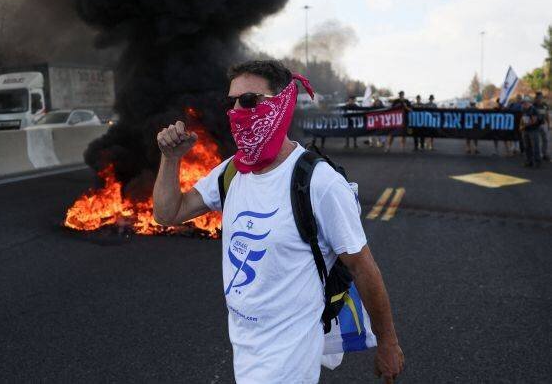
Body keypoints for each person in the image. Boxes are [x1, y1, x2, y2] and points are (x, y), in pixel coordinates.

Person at [153, 60, 404, 383]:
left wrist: (388, 343)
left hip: (289, 357)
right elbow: (167, 213)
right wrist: (171, 159)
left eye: (248, 101)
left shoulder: (319, 182)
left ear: (283, 103)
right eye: (231, 103)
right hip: (245, 345)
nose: (237, 112)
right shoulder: (232, 171)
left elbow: (363, 266)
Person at [520, 96, 543, 167]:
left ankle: (537, 162)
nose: (523, 104)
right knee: (527, 147)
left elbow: (534, 121)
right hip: (526, 131)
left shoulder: (533, 109)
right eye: (522, 103)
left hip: (533, 130)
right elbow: (522, 118)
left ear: (528, 103)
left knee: (535, 146)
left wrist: (524, 126)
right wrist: (520, 125)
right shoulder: (523, 109)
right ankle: (528, 161)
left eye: (524, 103)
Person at [533, 91, 550, 161]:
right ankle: (537, 155)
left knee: (545, 140)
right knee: (536, 141)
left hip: (543, 125)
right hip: (535, 126)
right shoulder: (533, 106)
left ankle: (544, 154)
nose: (540, 98)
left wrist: (549, 124)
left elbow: (547, 115)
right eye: (539, 97)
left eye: (541, 97)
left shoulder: (544, 105)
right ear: (536, 98)